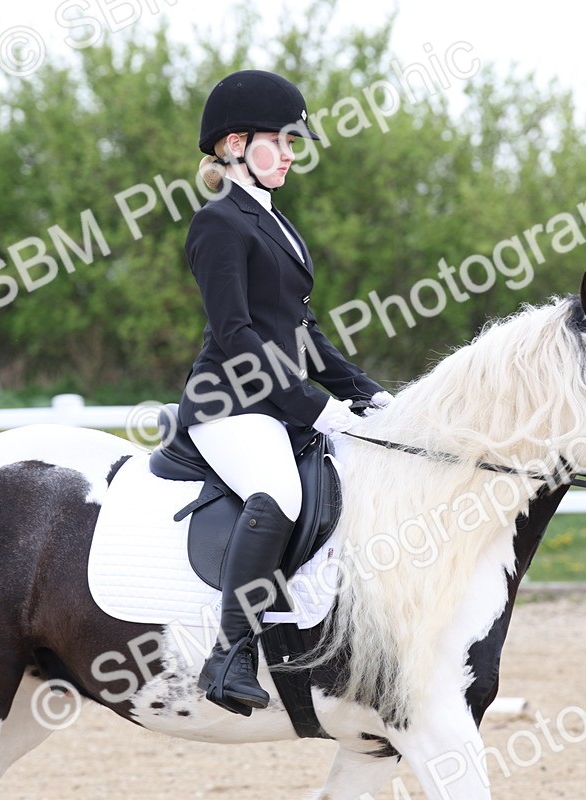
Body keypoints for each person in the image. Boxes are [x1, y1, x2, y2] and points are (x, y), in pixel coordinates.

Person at [177, 70, 391, 716]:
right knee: (280, 494)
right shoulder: (219, 224)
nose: (294, 153)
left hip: (273, 399)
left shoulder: (279, 225)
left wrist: (369, 396)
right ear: (236, 144)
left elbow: (306, 332)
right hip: (228, 402)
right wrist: (314, 406)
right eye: (284, 140)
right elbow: (237, 334)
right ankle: (230, 654)